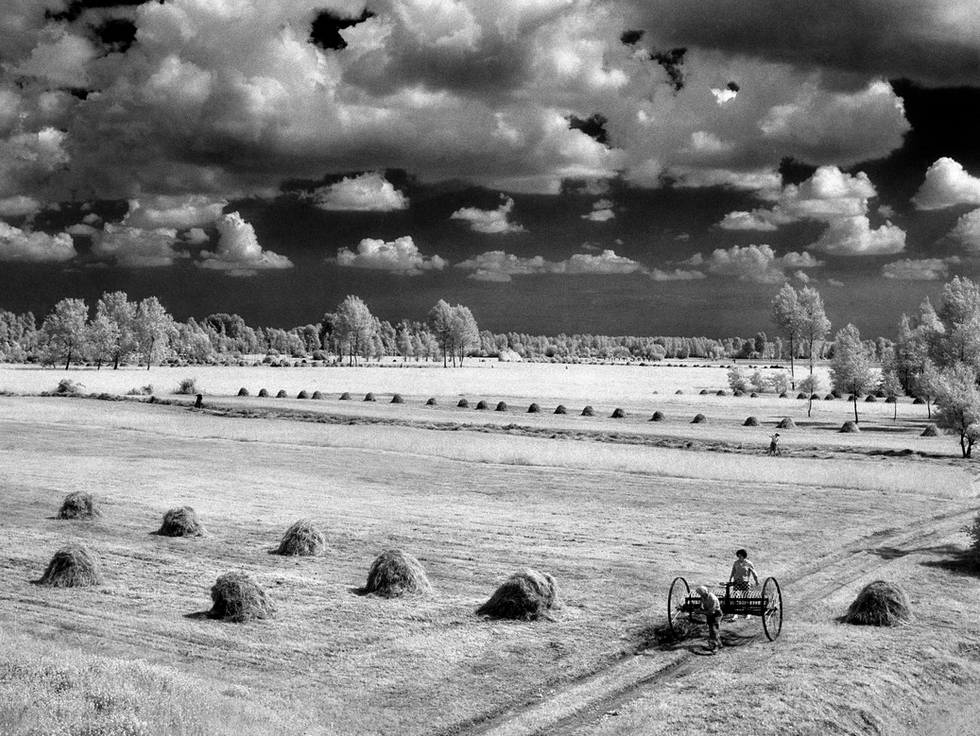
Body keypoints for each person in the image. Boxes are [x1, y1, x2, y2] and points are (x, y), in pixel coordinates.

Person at [727, 548, 760, 619]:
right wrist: (730, 579)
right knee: (736, 597)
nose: (739, 558)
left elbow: (754, 572)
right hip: (736, 582)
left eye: (740, 556)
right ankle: (736, 613)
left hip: (745, 582)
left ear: (744, 556)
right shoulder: (736, 563)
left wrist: (756, 580)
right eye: (738, 556)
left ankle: (748, 613)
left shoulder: (749, 563)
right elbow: (733, 571)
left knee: (747, 598)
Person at [695, 585, 723, 650]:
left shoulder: (713, 599)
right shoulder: (703, 596)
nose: (700, 595)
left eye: (700, 594)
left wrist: (699, 612)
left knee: (713, 630)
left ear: (704, 592)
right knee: (712, 630)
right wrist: (701, 607)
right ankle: (719, 644)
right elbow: (702, 603)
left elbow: (711, 612)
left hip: (716, 614)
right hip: (710, 614)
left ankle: (715, 647)